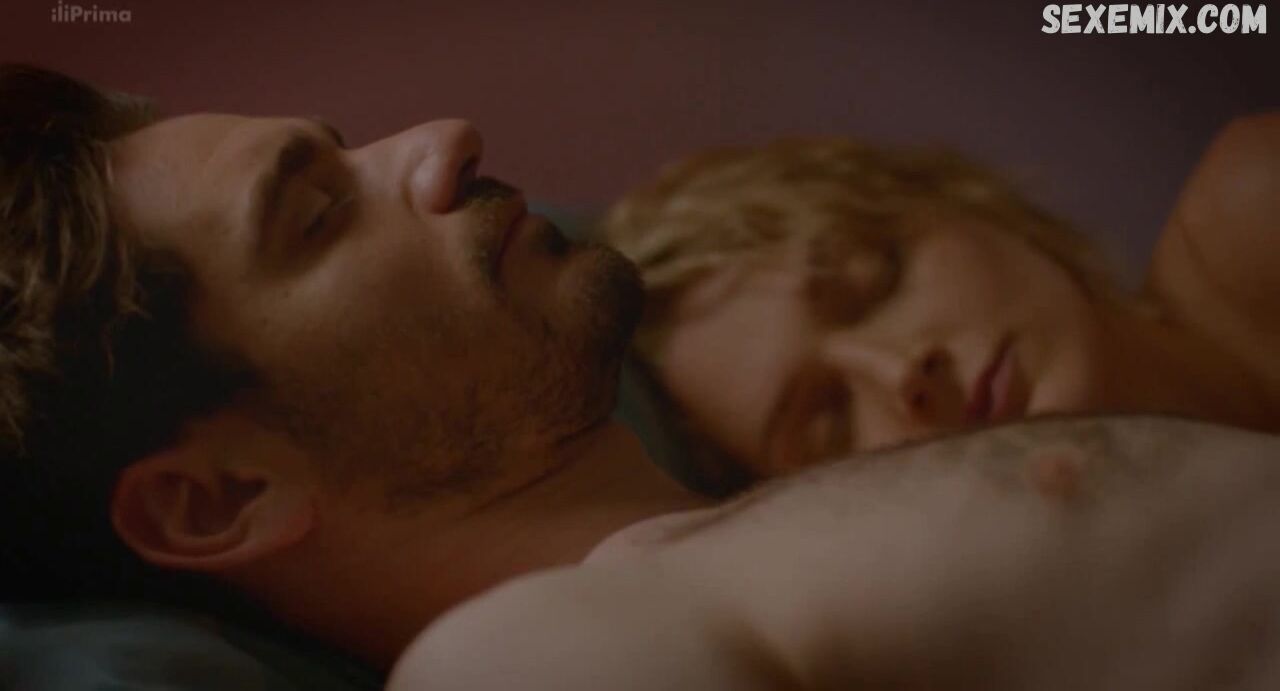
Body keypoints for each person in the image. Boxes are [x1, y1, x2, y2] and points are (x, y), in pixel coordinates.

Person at [6, 64, 1280, 689]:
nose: (441, 143)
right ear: (220, 496)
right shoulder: (521, 656)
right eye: (318, 216)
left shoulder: (728, 546)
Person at [601, 132, 1280, 481]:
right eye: (828, 425)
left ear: (950, 197)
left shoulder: (1255, 207)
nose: (902, 372)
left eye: (876, 278)